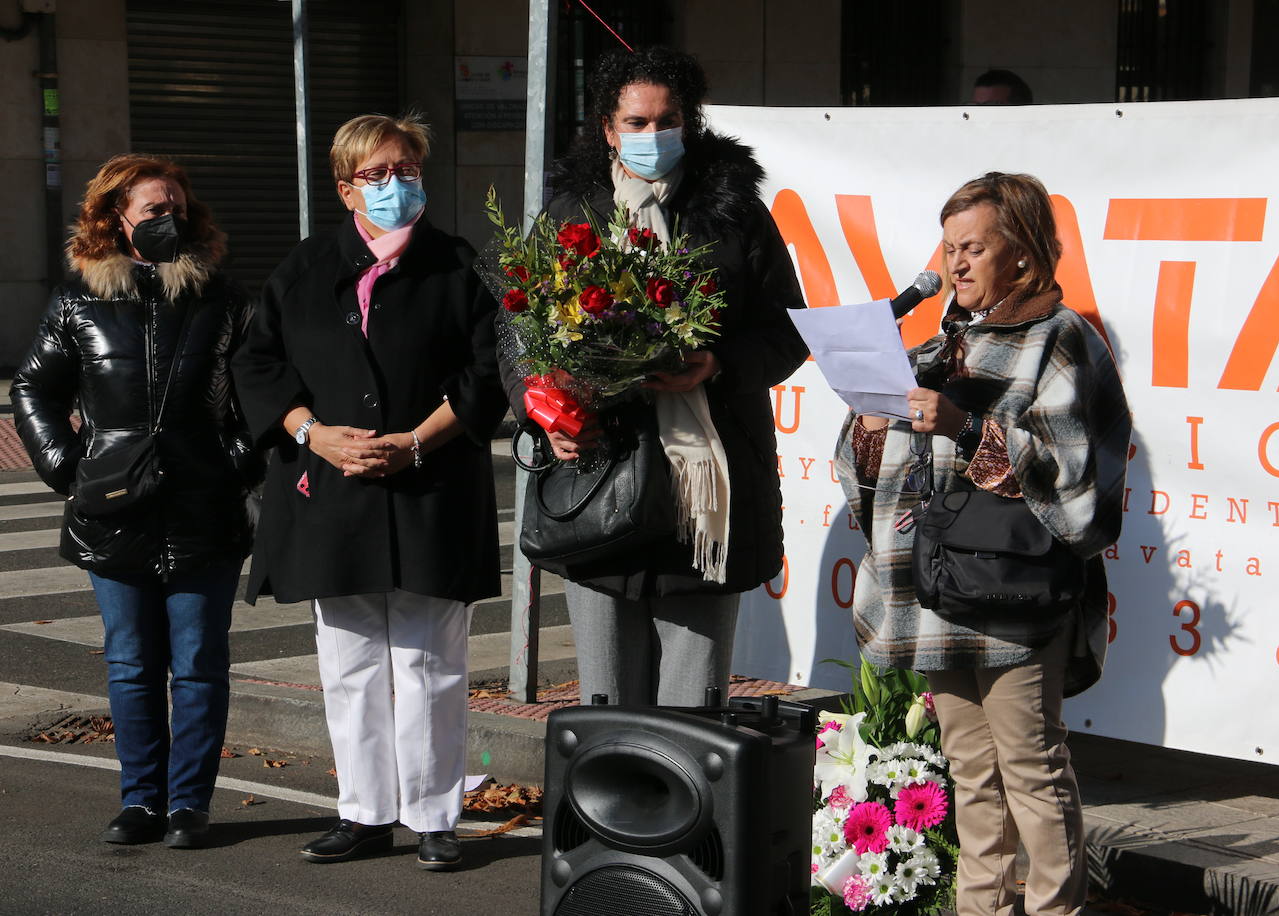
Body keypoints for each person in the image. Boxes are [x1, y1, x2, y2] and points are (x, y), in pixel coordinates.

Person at [835, 172, 1130, 915]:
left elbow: (1079, 482)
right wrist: (868, 432)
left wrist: (966, 428)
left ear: (1024, 257)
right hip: (934, 595)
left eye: (975, 248)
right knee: (970, 771)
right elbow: (875, 480)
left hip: (1013, 594)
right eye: (949, 247)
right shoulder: (935, 345)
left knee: (1032, 768)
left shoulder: (1059, 341)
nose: (956, 264)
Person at [231, 113, 506, 870]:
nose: (398, 185)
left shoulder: (458, 265)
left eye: (408, 169)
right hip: (331, 493)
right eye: (379, 174)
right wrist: (309, 431)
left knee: (430, 662)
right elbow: (256, 365)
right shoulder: (305, 267)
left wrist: (417, 440)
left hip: (432, 486)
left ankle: (433, 816)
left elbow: (489, 376)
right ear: (346, 185)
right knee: (348, 662)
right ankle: (362, 813)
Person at [502, 46, 808, 707]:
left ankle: (691, 810)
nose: (652, 136)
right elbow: (517, 333)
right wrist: (548, 413)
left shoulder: (734, 212)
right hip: (595, 480)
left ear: (689, 123)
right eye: (635, 123)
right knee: (607, 704)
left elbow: (787, 331)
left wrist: (717, 363)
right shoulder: (570, 213)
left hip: (703, 492)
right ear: (608, 129)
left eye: (667, 121)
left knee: (691, 708)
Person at [11, 154, 258, 849]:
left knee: (200, 662)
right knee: (130, 663)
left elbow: (260, 398)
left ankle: (189, 805)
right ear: (115, 218)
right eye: (153, 209)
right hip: (112, 510)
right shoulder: (77, 302)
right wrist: (69, 468)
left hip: (203, 511)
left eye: (176, 207)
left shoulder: (224, 300)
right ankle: (140, 801)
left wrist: (233, 464)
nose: (167, 219)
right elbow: (33, 389)